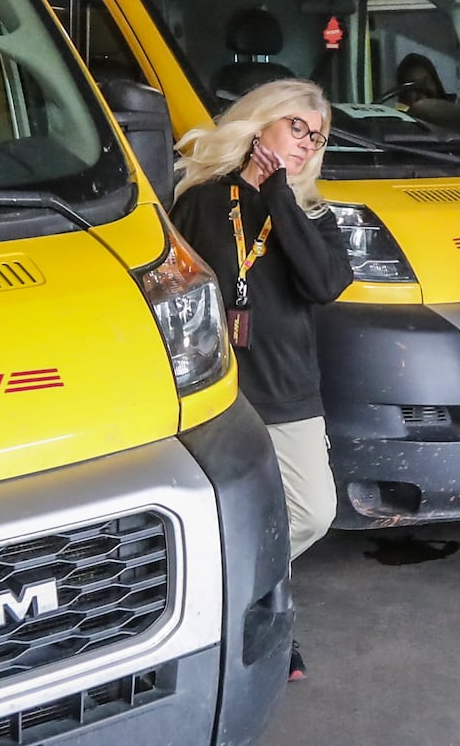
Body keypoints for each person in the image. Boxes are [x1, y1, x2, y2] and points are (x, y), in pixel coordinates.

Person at [168, 79, 353, 682]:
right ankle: (273, 622)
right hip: (216, 390)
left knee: (311, 511)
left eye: (316, 137)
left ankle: (232, 601)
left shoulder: (314, 215)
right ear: (260, 122)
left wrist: (278, 192)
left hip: (288, 388)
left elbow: (323, 284)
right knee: (225, 514)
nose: (306, 145)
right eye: (297, 127)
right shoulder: (198, 199)